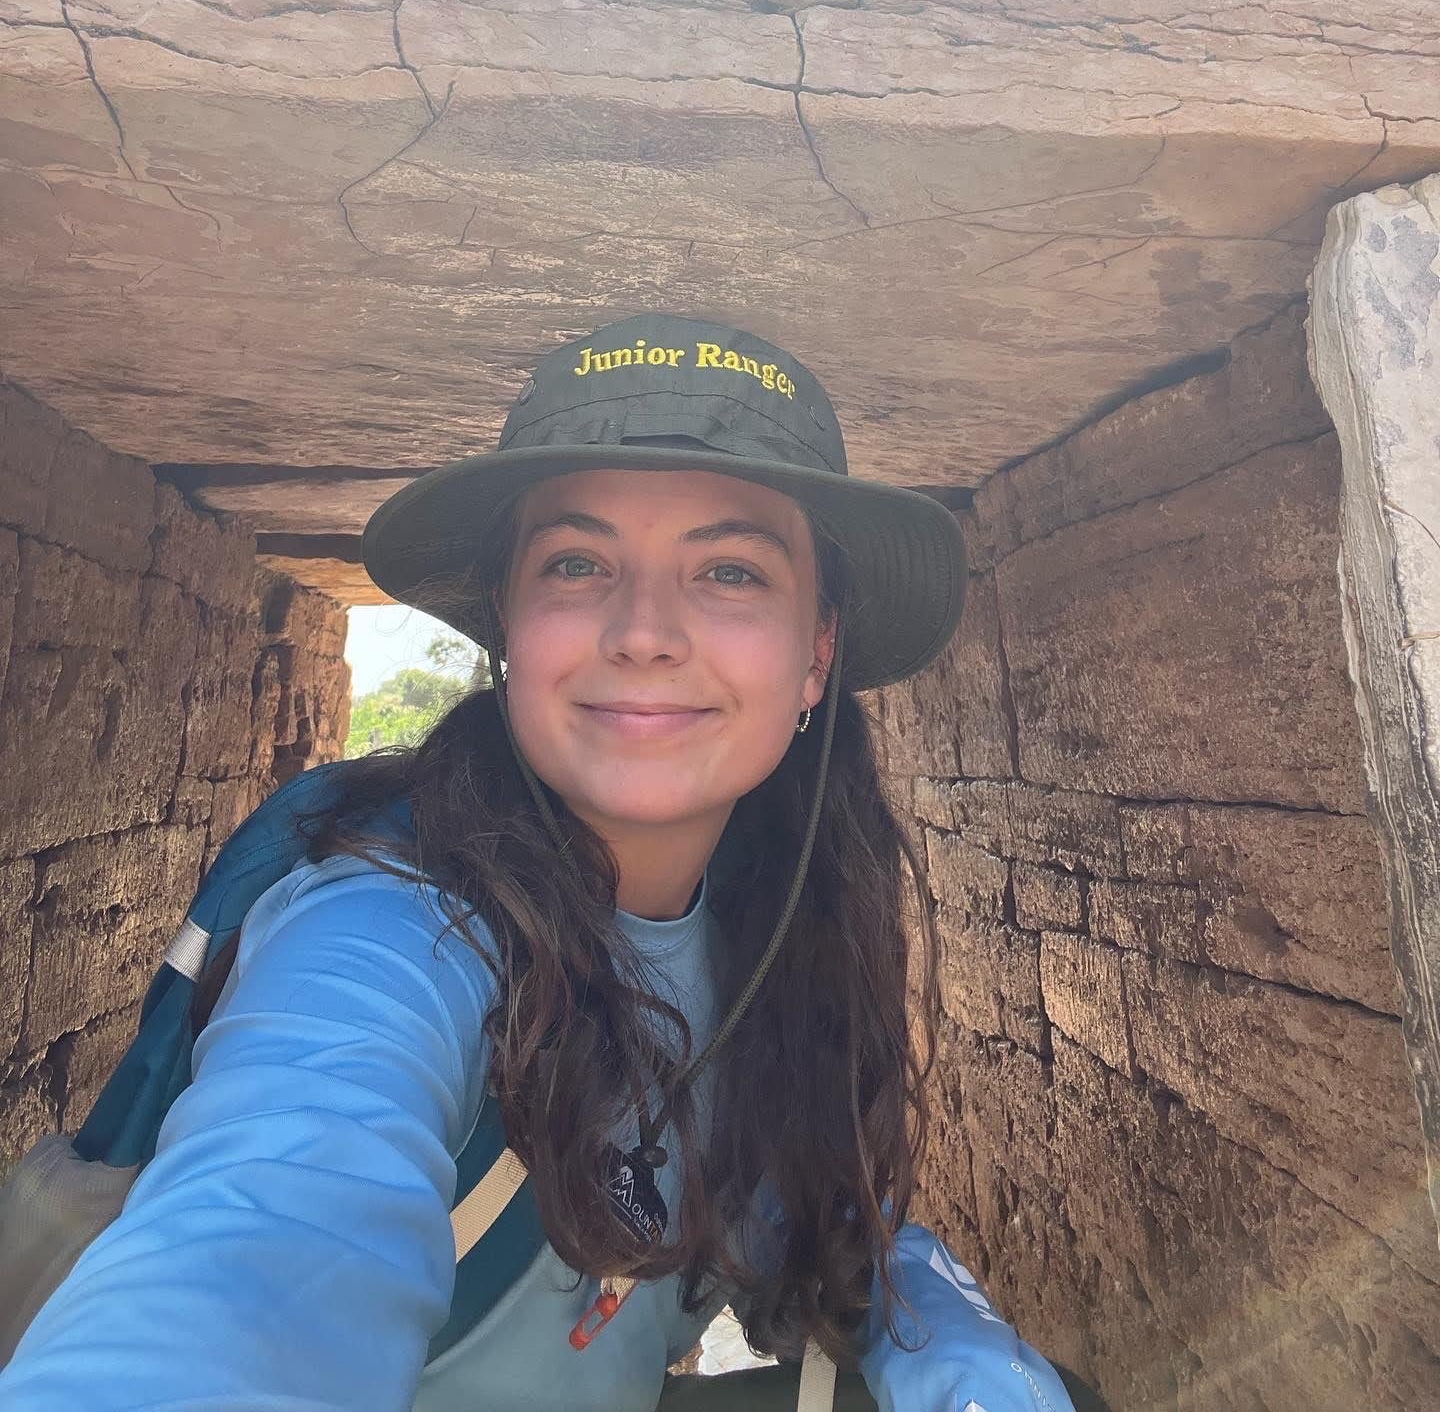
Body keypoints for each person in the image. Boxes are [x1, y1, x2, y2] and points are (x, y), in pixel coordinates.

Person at [0, 316, 1084, 1411]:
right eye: (577, 562)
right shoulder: (387, 921)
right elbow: (275, 1214)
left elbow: (789, 1213)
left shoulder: (765, 927)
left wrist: (937, 1327)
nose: (643, 630)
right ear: (508, 630)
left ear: (818, 652)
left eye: (729, 569)